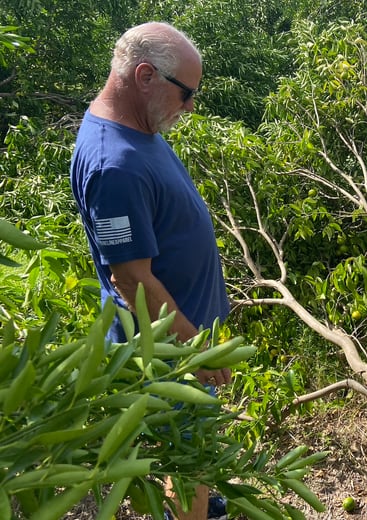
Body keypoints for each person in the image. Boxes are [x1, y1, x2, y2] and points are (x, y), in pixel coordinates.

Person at [69, 22, 230, 520]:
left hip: (179, 336)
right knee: (187, 465)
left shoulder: (138, 126)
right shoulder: (112, 164)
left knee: (190, 457)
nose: (190, 107)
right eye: (186, 95)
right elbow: (130, 278)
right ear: (144, 76)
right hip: (166, 350)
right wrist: (195, 349)